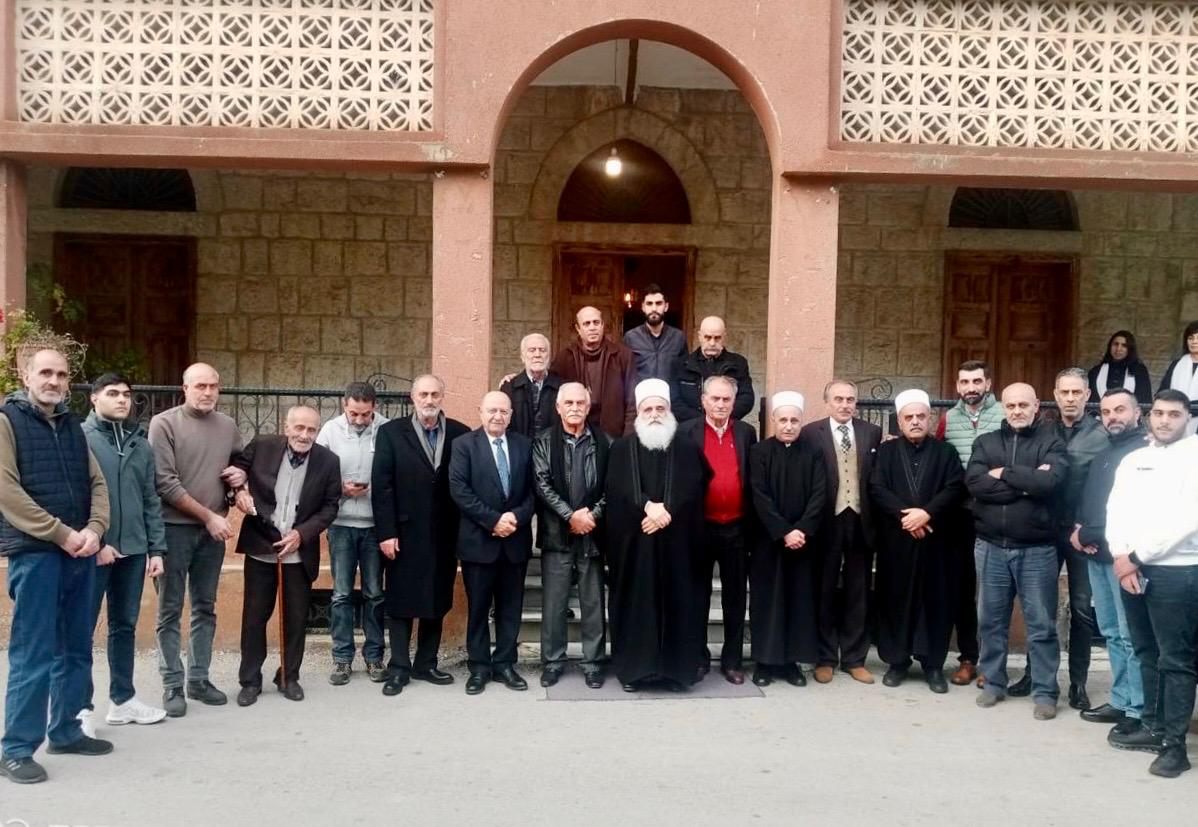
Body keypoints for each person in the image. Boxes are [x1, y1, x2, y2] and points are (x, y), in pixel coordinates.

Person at [0, 348, 111, 785]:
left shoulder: (72, 427)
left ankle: (66, 731)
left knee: (76, 647)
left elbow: (97, 483)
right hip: (37, 553)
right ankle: (15, 749)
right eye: (45, 372)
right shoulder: (7, 422)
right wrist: (62, 533)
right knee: (34, 652)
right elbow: (7, 492)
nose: (54, 381)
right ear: (26, 375)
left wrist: (95, 530)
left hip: (79, 552)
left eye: (62, 374)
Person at [1107, 389, 1198, 778]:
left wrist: (1136, 557)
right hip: (1132, 570)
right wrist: (1121, 556)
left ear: (1187, 418)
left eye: (1174, 414)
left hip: (1178, 571)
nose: (1164, 420)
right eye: (1159, 413)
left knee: (1176, 660)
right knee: (1146, 650)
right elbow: (1115, 509)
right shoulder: (1135, 459)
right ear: (1149, 416)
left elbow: (1188, 519)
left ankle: (1175, 748)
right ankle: (1153, 726)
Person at [967, 383, 1068, 720]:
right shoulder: (986, 442)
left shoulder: (1051, 441)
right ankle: (993, 683)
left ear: (1036, 405)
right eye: (1011, 406)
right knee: (990, 621)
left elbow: (1049, 484)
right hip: (991, 547)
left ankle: (1045, 692)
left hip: (1037, 550)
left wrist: (1005, 474)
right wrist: (1026, 485)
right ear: (1003, 407)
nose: (1017, 411)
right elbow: (976, 484)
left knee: (1041, 625)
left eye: (1024, 405)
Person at [149, 362, 245, 717]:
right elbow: (165, 483)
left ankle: (199, 680)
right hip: (172, 529)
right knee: (169, 610)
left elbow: (237, 466)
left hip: (211, 533)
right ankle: (172, 683)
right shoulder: (163, 424)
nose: (207, 392)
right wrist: (209, 517)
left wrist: (241, 480)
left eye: (213, 386)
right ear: (185, 388)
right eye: (200, 385)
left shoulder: (228, 426)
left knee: (205, 607)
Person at [231, 406, 341, 706]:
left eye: (311, 429)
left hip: (298, 551)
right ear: (286, 426)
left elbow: (331, 506)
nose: (305, 435)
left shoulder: (328, 461)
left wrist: (302, 534)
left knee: (295, 618)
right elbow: (236, 469)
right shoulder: (263, 445)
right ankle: (250, 680)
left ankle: (289, 676)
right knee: (254, 617)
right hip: (261, 544)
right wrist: (240, 491)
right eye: (299, 428)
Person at [605, 379, 708, 691]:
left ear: (669, 410)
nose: (653, 414)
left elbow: (696, 486)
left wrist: (667, 511)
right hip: (636, 548)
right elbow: (616, 490)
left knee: (679, 605)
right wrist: (647, 507)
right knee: (637, 607)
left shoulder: (688, 447)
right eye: (647, 409)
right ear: (638, 413)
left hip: (678, 547)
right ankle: (635, 672)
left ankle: (676, 674)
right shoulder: (621, 448)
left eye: (659, 408)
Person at [80, 373, 168, 738]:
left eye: (127, 395)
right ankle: (79, 709)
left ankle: (123, 700)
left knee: (124, 626)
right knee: (81, 629)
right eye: (113, 393)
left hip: (133, 550)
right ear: (94, 399)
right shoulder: (80, 439)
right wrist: (97, 543)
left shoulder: (139, 443)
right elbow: (75, 497)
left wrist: (156, 548)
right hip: (90, 551)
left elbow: (150, 498)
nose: (122, 400)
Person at [372, 375, 469, 696]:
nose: (429, 400)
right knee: (400, 600)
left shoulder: (459, 433)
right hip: (403, 532)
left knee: (437, 597)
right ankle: (399, 667)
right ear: (412, 397)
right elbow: (382, 486)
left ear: (443, 396)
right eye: (423, 394)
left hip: (444, 533)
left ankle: (426, 663)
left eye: (435, 394)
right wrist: (386, 532)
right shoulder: (391, 433)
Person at [1014, 368, 1103, 709]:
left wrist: (1091, 527)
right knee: (1039, 607)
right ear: (1054, 394)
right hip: (1045, 530)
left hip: (1081, 534)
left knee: (1081, 609)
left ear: (1087, 395)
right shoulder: (1043, 430)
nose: (1069, 398)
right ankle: (1034, 673)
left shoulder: (1101, 434)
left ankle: (1078, 683)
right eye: (1064, 392)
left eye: (1076, 392)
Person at [870, 389, 966, 694]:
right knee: (895, 600)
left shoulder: (946, 453)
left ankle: (933, 665)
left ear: (930, 418)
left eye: (920, 416)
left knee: (935, 602)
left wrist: (926, 514)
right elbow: (877, 488)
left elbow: (955, 488)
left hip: (936, 541)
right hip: (897, 543)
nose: (915, 421)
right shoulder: (886, 452)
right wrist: (906, 517)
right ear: (899, 421)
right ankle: (897, 662)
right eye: (909, 417)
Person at [1072, 389, 1148, 733]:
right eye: (1106, 411)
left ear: (1137, 412)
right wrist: (1079, 529)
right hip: (1097, 555)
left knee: (1132, 636)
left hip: (1125, 559)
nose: (1112, 416)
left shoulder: (1143, 452)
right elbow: (1091, 498)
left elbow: (1132, 509)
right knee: (1112, 633)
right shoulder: (1105, 452)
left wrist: (1089, 533)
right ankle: (1120, 700)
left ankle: (1138, 709)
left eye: (1120, 410)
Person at [449, 391, 535, 695]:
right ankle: (479, 666)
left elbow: (534, 491)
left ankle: (505, 664)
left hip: (515, 541)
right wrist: (493, 520)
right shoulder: (463, 445)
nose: (498, 416)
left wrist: (515, 518)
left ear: (511, 415)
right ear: (481, 412)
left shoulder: (524, 445)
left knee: (510, 608)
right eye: (492, 410)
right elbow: (459, 490)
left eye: (503, 411)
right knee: (478, 609)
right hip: (478, 543)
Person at [799, 379, 881, 684]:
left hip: (860, 519)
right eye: (838, 399)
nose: (845, 405)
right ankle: (824, 657)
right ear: (827, 402)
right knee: (824, 590)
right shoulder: (811, 433)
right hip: (825, 521)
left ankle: (854, 658)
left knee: (858, 590)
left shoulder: (871, 432)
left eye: (850, 399)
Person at [532, 382, 611, 689]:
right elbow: (542, 484)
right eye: (569, 403)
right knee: (554, 604)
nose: (575, 407)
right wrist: (570, 515)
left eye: (580, 403)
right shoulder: (543, 442)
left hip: (592, 534)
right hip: (557, 535)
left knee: (593, 603)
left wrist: (592, 516)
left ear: (588, 407)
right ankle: (553, 662)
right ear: (558, 407)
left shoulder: (605, 442)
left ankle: (593, 663)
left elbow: (611, 487)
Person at [679, 375, 757, 684]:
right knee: (697, 595)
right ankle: (698, 658)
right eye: (715, 398)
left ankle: (732, 661)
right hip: (700, 527)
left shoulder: (746, 433)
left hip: (736, 527)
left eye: (726, 399)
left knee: (735, 598)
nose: (721, 404)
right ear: (703, 400)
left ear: (734, 402)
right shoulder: (687, 432)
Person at [748, 392, 826, 688]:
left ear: (801, 421)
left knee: (798, 601)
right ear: (774, 420)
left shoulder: (814, 452)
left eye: (794, 420)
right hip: (768, 541)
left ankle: (791, 663)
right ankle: (764, 662)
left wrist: (802, 529)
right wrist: (783, 531)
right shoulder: (759, 452)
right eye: (783, 420)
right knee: (767, 601)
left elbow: (820, 493)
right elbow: (759, 495)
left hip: (803, 543)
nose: (789, 425)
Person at [316, 382, 389, 686]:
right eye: (354, 414)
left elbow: (393, 473)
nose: (359, 420)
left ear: (374, 408)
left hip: (375, 525)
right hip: (341, 524)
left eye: (365, 414)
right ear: (344, 405)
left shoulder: (386, 429)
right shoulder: (329, 431)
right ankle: (342, 658)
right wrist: (341, 489)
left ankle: (374, 657)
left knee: (374, 593)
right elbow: (317, 474)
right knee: (342, 594)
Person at [935, 359, 1002, 686]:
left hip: (997, 513)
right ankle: (968, 658)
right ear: (957, 385)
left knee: (994, 591)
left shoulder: (1004, 415)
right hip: (958, 515)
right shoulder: (948, 419)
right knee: (962, 589)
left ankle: (992, 662)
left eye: (977, 381)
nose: (971, 388)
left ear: (988, 383)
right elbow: (938, 459)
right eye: (965, 382)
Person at [549, 306, 638, 438]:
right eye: (586, 324)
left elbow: (632, 401)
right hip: (576, 436)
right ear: (578, 329)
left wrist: (627, 438)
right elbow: (551, 396)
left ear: (602, 325)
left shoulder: (623, 356)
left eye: (596, 322)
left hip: (613, 435)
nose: (592, 327)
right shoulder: (565, 359)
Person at [673, 316, 754, 422]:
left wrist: (722, 418)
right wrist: (703, 422)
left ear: (724, 337)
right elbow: (675, 401)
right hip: (691, 426)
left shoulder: (738, 363)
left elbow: (746, 398)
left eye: (717, 338)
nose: (712, 343)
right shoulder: (682, 364)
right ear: (700, 336)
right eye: (707, 337)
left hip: (728, 425)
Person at [622, 283, 688, 383]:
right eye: (649, 304)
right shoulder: (631, 338)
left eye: (658, 303)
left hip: (671, 393)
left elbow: (684, 374)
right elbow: (623, 373)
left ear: (666, 306)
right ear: (643, 307)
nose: (654, 309)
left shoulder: (678, 338)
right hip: (640, 392)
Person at [500, 332, 562, 439]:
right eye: (532, 350)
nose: (537, 355)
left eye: (542, 350)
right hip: (519, 447)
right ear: (522, 357)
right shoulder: (509, 387)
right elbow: (504, 424)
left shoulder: (562, 387)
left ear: (549, 356)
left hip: (551, 447)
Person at [1087, 330, 1152, 404]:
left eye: (1124, 345)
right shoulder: (1095, 372)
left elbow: (1145, 401)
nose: (1118, 349)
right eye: (1116, 344)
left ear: (1130, 349)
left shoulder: (1139, 372)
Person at [1156, 320, 1198, 404]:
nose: (1194, 342)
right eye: (1190, 338)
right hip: (1176, 410)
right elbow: (1163, 392)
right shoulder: (1176, 364)